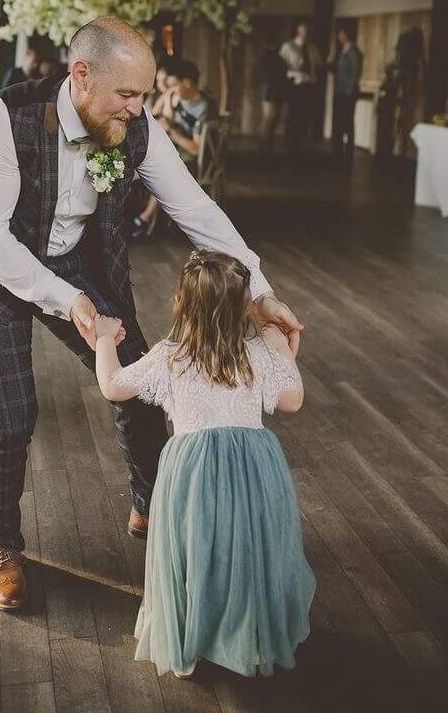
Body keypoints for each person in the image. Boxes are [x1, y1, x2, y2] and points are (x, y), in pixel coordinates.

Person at [0, 16, 303, 612]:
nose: (139, 107)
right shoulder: (4, 119)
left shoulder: (137, 127)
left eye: (143, 94)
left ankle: (151, 501)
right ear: (81, 75)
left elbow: (196, 209)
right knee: (9, 416)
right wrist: (67, 301)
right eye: (128, 94)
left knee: (137, 379)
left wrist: (260, 291)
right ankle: (1, 542)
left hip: (79, 263)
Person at [94, 250, 315, 679]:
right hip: (252, 469)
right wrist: (282, 350)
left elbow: (112, 386)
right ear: (243, 308)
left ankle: (191, 634)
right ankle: (247, 637)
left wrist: (104, 339)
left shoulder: (169, 356)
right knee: (245, 551)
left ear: (180, 302)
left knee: (194, 551)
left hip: (191, 474)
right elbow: (293, 400)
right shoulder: (257, 352)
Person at [131, 59, 213, 240]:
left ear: (187, 83)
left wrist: (172, 131)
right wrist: (167, 97)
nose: (171, 89)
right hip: (174, 151)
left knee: (164, 169)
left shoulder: (203, 107)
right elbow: (159, 117)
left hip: (193, 159)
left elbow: (195, 149)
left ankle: (145, 217)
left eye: (174, 85)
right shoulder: (178, 99)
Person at [280, 23, 322, 160]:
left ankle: (300, 146)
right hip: (295, 85)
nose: (306, 34)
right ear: (298, 32)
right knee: (293, 116)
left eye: (308, 31)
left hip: (309, 86)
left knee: (305, 117)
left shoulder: (313, 48)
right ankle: (289, 146)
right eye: (303, 31)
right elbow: (281, 65)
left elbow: (318, 66)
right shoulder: (288, 46)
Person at [332, 25, 363, 161]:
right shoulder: (343, 51)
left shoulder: (353, 51)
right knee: (339, 121)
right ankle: (337, 151)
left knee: (348, 122)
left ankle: (348, 152)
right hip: (340, 90)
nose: (339, 37)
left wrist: (349, 92)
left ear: (346, 35)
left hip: (348, 93)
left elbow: (355, 73)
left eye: (340, 34)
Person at [258, 36, 288, 155]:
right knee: (269, 119)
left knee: (272, 120)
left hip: (273, 91)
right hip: (270, 91)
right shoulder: (269, 59)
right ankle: (265, 147)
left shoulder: (273, 59)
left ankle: (267, 146)